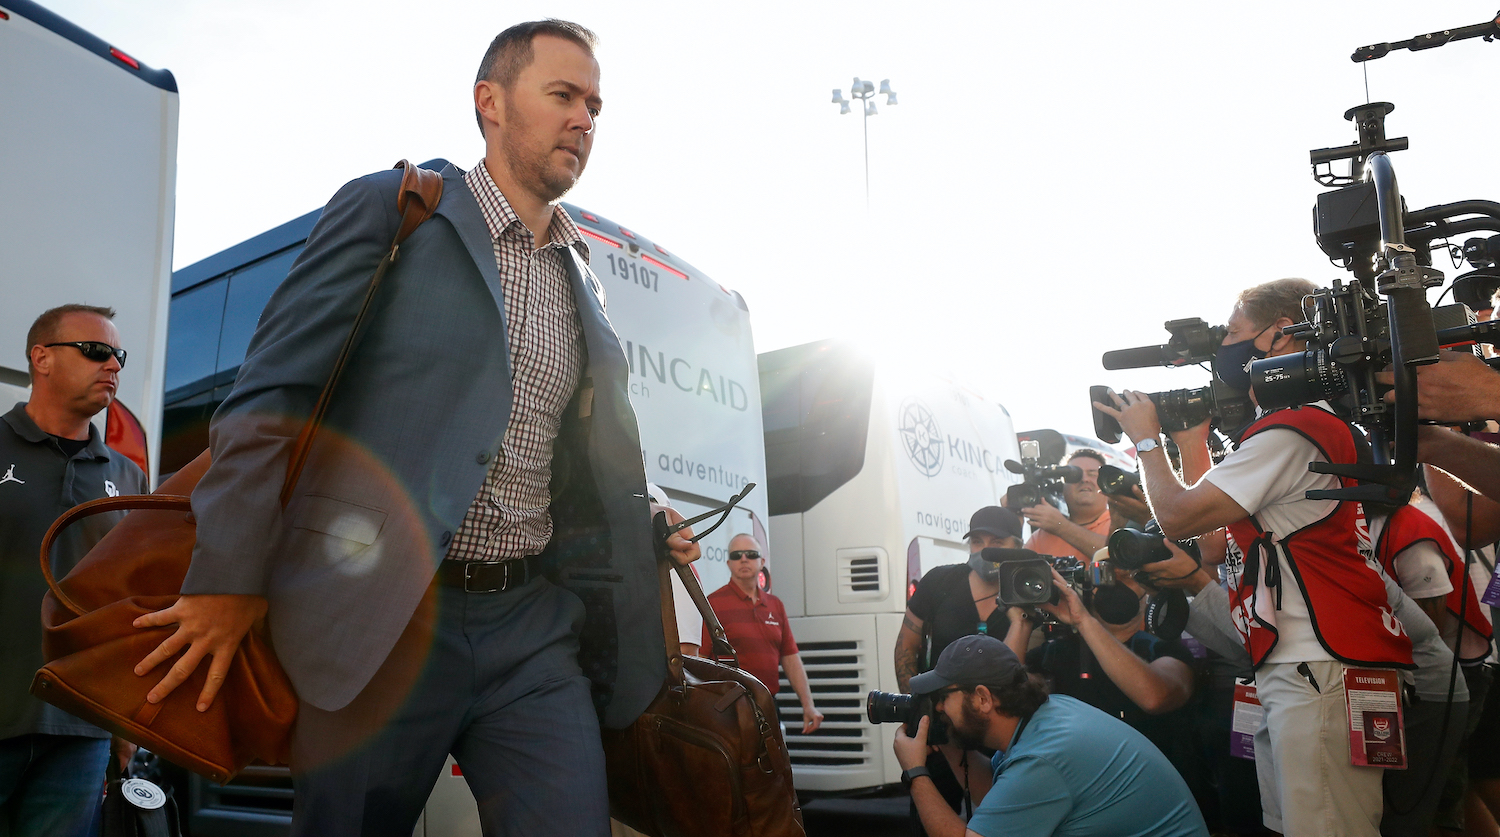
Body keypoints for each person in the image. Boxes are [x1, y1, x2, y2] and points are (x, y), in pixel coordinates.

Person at [130, 21, 700, 837]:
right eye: (565, 96)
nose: (586, 120)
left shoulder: (585, 282)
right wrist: (228, 575)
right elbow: (268, 396)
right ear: (491, 102)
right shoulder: (398, 211)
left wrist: (644, 523)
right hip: (384, 620)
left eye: (596, 106)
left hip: (529, 629)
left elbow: (562, 460)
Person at [1098, 277, 1415, 836]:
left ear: (1284, 335)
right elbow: (1214, 538)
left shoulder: (1292, 429)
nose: (1226, 347)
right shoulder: (1304, 426)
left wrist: (1148, 441)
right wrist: (1193, 440)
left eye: (1236, 332)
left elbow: (1179, 517)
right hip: (1309, 659)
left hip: (1315, 661)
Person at [0, 304, 147, 836]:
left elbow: (133, 602)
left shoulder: (129, 478)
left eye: (118, 356)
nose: (112, 365)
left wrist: (126, 723)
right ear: (41, 358)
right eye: (95, 351)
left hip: (83, 728)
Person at [894, 634, 1208, 837]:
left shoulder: (1042, 759)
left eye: (943, 697)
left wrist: (916, 772)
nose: (938, 708)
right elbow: (999, 802)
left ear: (982, 698)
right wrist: (950, 744)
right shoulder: (1048, 714)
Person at [896, 506, 1032, 834]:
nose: (984, 549)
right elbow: (905, 648)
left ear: (1017, 545)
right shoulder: (940, 581)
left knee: (1000, 822)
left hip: (1001, 731)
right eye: (976, 541)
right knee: (929, 818)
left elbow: (1011, 675)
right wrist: (921, 713)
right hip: (942, 728)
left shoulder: (1030, 591)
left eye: (996, 541)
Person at [1017, 562, 1197, 790]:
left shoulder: (1165, 650)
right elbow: (1004, 693)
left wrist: (1084, 622)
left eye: (1127, 576)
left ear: (1148, 591)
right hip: (1075, 785)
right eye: (1104, 575)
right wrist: (1022, 621)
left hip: (1147, 786)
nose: (1114, 583)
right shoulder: (1056, 652)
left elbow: (1154, 697)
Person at [701, 534, 822, 733]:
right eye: (737, 554)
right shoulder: (712, 604)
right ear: (729, 562)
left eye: (751, 554)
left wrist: (808, 705)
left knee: (773, 764)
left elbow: (790, 658)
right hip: (728, 710)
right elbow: (699, 660)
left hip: (768, 705)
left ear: (762, 561)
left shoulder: (775, 605)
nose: (744, 559)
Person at [1019, 450, 1113, 561]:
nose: (1084, 479)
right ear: (1063, 487)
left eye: (1093, 474)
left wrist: (1060, 526)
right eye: (1074, 475)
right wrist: (1014, 523)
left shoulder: (1121, 523)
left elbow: (1117, 555)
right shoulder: (1039, 538)